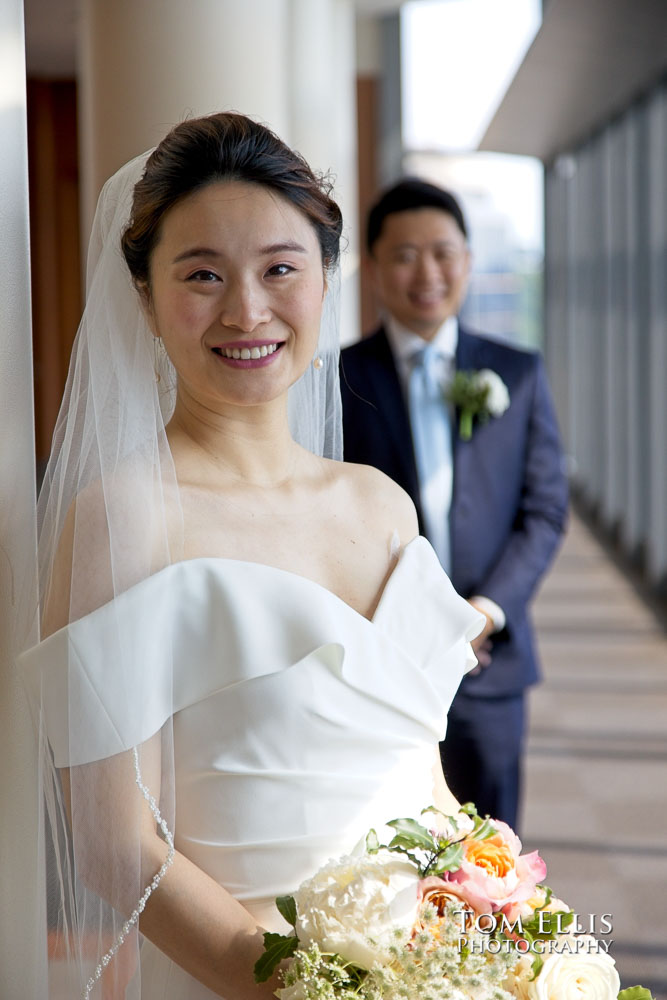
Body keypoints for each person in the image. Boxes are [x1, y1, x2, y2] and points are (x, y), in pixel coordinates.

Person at [19, 116, 483, 999]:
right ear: (146, 300)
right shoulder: (123, 519)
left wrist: (489, 925)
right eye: (202, 275)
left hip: (433, 966)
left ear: (325, 280)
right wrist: (311, 989)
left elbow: (420, 772)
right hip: (246, 975)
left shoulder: (378, 503)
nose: (246, 310)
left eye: (280, 268)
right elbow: (115, 848)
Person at [340, 178, 568, 832]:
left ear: (467, 261)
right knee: (388, 845)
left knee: (492, 851)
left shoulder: (517, 373)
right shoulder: (337, 382)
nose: (427, 271)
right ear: (375, 268)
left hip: (489, 663)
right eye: (405, 254)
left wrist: (484, 612)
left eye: (442, 252)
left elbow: (544, 510)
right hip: (381, 663)